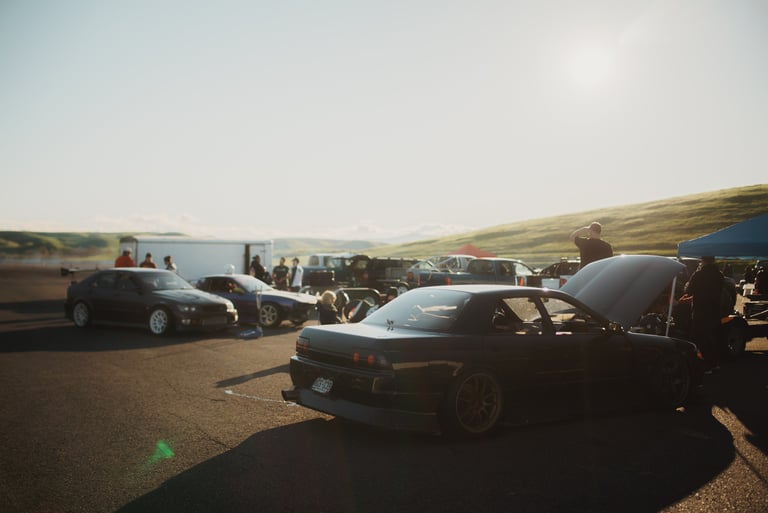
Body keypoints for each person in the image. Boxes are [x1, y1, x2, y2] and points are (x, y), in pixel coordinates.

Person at [681, 256, 724, 373]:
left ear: (703, 261)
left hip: (700, 310)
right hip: (714, 310)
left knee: (699, 338)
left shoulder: (698, 275)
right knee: (713, 337)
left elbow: (688, 290)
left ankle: (705, 364)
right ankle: (714, 363)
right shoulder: (719, 275)